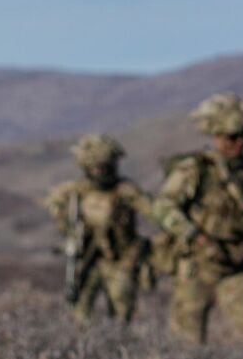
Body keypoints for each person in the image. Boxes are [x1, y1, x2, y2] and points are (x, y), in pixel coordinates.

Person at [151, 93, 243, 354]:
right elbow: (162, 206)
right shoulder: (195, 169)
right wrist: (196, 236)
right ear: (216, 136)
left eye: (242, 136)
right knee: (185, 350)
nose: (238, 143)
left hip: (235, 268)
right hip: (196, 269)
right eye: (231, 137)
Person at [42, 134, 157, 323]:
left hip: (120, 260)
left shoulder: (125, 190)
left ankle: (118, 340)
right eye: (95, 168)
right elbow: (53, 203)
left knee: (122, 314)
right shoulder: (76, 191)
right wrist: (67, 229)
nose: (100, 172)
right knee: (79, 314)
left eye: (104, 167)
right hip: (87, 259)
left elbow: (153, 211)